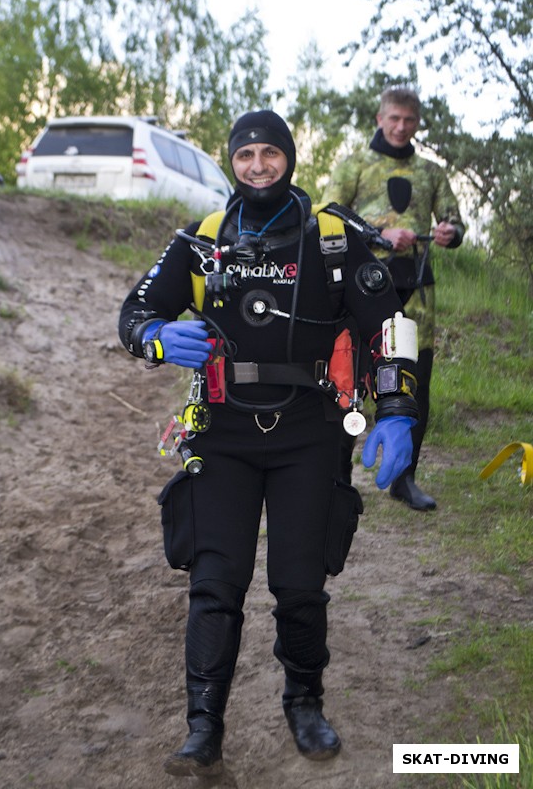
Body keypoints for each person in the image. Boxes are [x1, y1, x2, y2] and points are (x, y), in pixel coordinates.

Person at [119, 110, 420, 777]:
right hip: (222, 431)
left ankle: (304, 702)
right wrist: (156, 339)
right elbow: (135, 311)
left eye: (269, 153)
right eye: (245, 154)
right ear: (233, 161)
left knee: (299, 586)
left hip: (309, 435)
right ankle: (203, 726)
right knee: (214, 584)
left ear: (289, 157)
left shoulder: (334, 241)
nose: (257, 165)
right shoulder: (200, 242)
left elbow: (391, 330)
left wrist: (398, 409)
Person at [322, 87, 465, 511]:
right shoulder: (355, 165)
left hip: (416, 294)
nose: (401, 127)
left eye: (409, 120)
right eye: (394, 118)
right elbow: (327, 214)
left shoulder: (431, 172)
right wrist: (378, 235)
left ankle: (405, 479)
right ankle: (337, 480)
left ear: (417, 123)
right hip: (356, 294)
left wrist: (450, 233)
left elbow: (455, 221)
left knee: (414, 388)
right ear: (380, 119)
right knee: (346, 386)